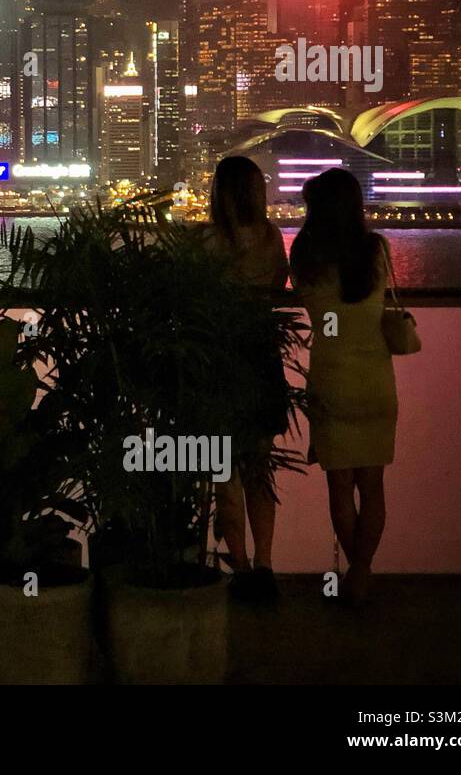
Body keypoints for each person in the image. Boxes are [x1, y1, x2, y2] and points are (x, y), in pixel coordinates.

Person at [290, 168, 397, 607]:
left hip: (331, 377)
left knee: (340, 490)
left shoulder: (304, 253)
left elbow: (304, 297)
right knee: (373, 486)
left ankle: (358, 573)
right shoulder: (377, 249)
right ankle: (362, 572)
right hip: (375, 378)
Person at [203, 156, 290, 604]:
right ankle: (266, 565)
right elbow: (278, 286)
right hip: (260, 356)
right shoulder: (272, 237)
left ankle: (237, 567)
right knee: (260, 468)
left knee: (225, 470)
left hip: (218, 360)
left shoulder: (207, 240)